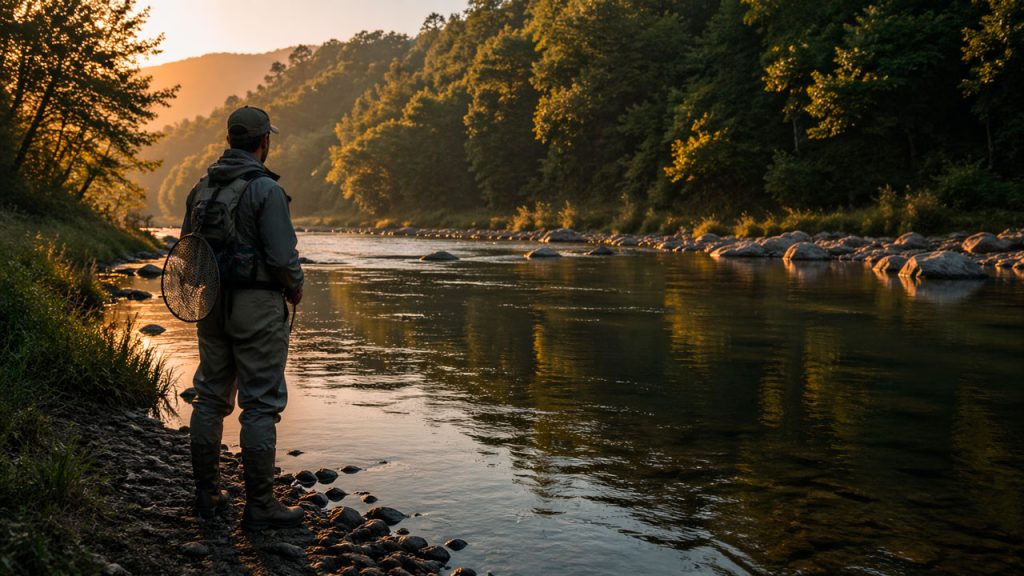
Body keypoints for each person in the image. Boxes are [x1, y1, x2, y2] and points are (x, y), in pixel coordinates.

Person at [179, 106, 304, 530]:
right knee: (260, 404)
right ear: (263, 142)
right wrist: (296, 285)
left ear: (231, 139)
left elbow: (186, 250)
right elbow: (283, 258)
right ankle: (261, 505)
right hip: (258, 307)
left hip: (210, 304)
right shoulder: (265, 190)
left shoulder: (202, 187)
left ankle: (206, 494)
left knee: (210, 397)